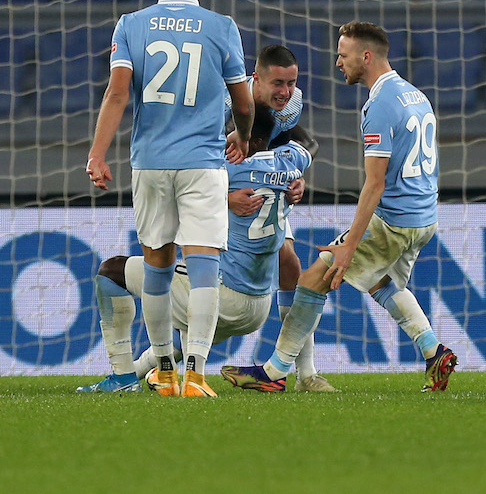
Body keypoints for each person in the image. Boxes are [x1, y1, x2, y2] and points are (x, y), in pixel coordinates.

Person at [221, 21, 457, 392]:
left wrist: (349, 245)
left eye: (343, 55)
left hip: (395, 218)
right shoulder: (414, 94)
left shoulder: (378, 106)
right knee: (381, 282)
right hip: (423, 216)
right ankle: (433, 351)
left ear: (366, 56)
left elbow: (374, 184)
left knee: (314, 278)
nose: (337, 62)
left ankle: (275, 372)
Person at [86, 0, 253, 398]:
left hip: (150, 163)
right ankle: (195, 373)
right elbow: (242, 100)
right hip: (202, 162)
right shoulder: (222, 27)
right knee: (203, 264)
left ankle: (161, 367)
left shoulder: (132, 24)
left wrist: (97, 155)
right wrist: (242, 134)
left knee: (157, 265)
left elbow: (117, 94)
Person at [78, 104, 313, 394]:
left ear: (249, 139)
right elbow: (306, 150)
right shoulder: (292, 160)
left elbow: (183, 187)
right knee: (187, 322)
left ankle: (123, 377)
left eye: (235, 132)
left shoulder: (224, 165)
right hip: (260, 304)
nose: (229, 137)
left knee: (112, 272)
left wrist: (224, 198)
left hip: (225, 294)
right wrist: (296, 182)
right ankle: (149, 372)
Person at [224, 44, 335, 392]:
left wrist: (293, 175)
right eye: (277, 83)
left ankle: (307, 374)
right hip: (218, 187)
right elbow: (198, 161)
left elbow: (306, 143)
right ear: (255, 78)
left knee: (289, 262)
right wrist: (224, 196)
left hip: (258, 188)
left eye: (291, 83)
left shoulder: (289, 104)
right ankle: (159, 361)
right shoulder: (226, 104)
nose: (286, 92)